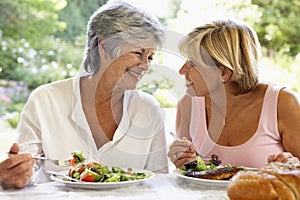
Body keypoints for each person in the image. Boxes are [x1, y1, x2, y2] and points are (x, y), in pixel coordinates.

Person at [0, 1, 169, 189]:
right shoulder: (44, 100)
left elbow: (159, 184)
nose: (146, 66)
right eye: (138, 52)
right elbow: (22, 178)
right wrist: (13, 176)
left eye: (150, 57)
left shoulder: (149, 110)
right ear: (103, 47)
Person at [168, 19, 300, 169]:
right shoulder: (188, 104)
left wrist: (289, 166)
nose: (181, 71)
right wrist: (185, 162)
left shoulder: (281, 102)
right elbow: (187, 175)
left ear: (223, 73)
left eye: (193, 64)